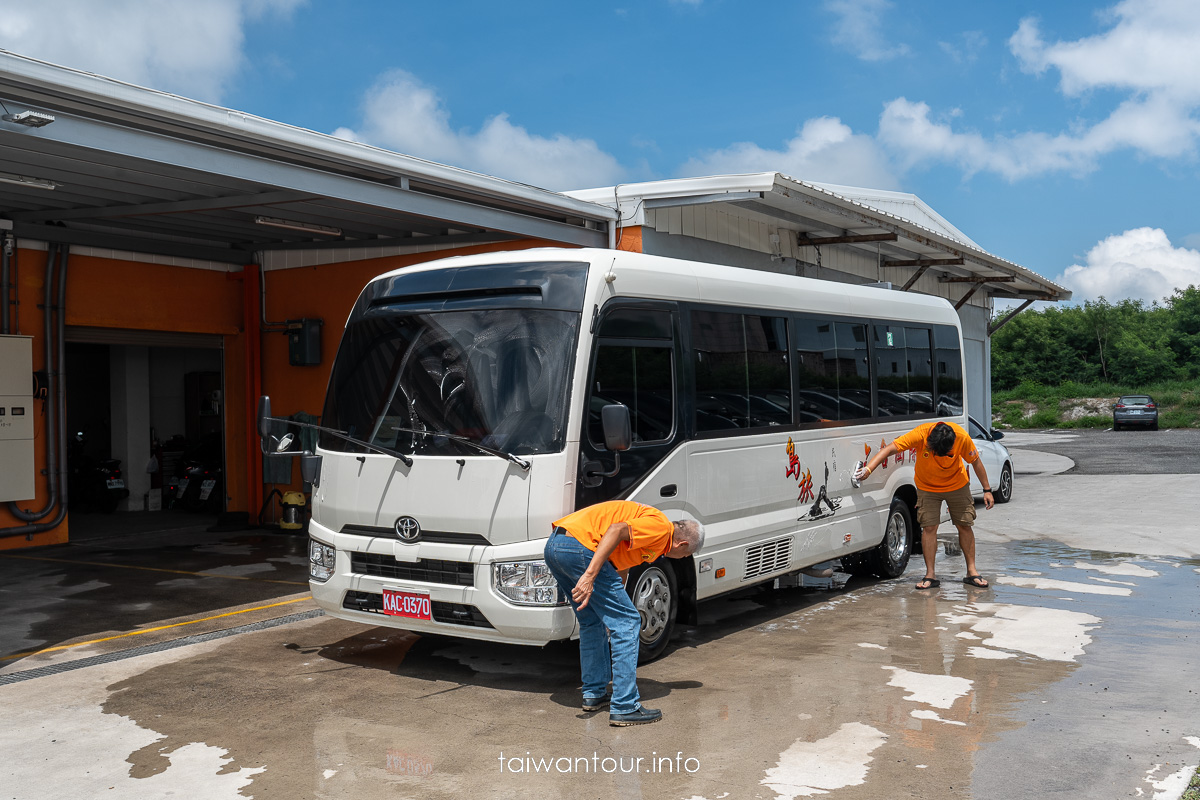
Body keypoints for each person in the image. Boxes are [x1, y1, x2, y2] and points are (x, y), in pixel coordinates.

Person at [543, 500, 704, 726]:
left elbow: (620, 566)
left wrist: (615, 613)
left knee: (593, 621)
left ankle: (594, 693)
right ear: (682, 544)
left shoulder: (654, 538)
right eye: (687, 554)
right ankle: (625, 705)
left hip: (556, 546)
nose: (685, 559)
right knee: (629, 623)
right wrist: (589, 576)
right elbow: (616, 530)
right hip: (580, 548)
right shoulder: (661, 528)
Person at [854, 420, 993, 590]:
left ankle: (972, 572)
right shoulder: (921, 435)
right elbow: (890, 449)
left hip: (957, 485)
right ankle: (930, 575)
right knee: (929, 527)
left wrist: (987, 489)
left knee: (964, 525)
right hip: (927, 488)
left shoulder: (962, 437)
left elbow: (976, 462)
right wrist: (868, 469)